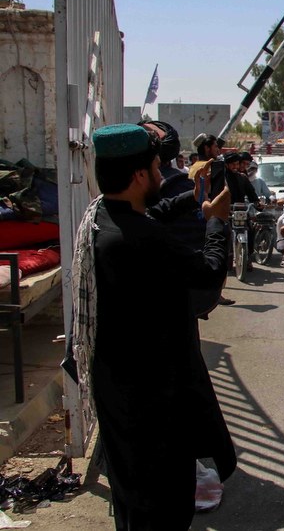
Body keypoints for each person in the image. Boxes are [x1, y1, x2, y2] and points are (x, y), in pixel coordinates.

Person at [68, 124, 236, 530]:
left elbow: (148, 214)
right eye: (157, 167)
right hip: (154, 407)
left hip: (119, 393)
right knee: (162, 508)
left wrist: (191, 200)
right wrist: (216, 221)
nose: (163, 173)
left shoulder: (101, 215)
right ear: (141, 174)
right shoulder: (141, 241)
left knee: (132, 503)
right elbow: (209, 273)